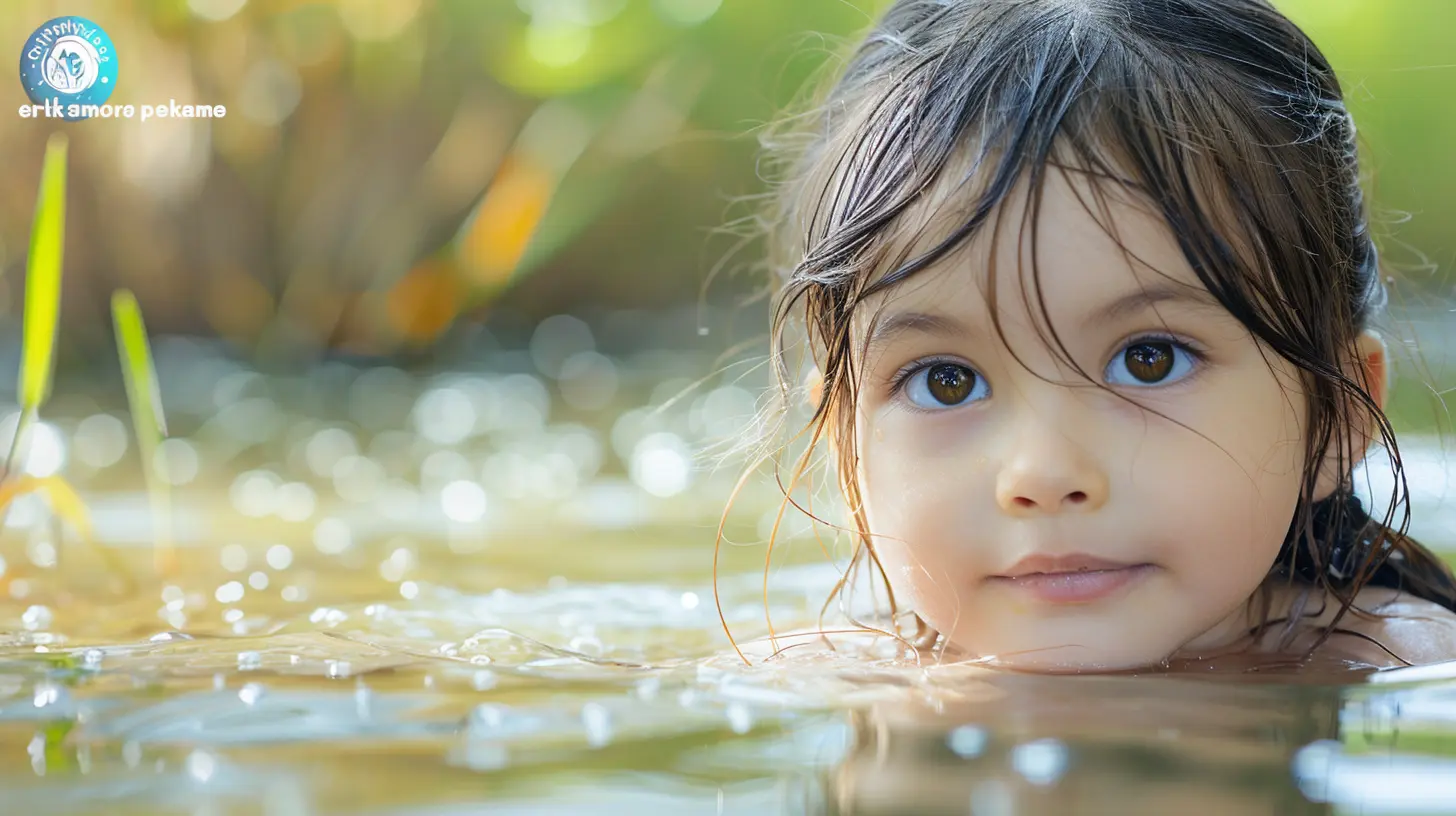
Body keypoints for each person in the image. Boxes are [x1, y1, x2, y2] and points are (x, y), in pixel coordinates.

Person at [715, 0, 1456, 673]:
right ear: (845, 448)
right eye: (945, 380)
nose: (1042, 474)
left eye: (1149, 359)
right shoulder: (824, 672)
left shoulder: (1403, 662)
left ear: (1338, 414)